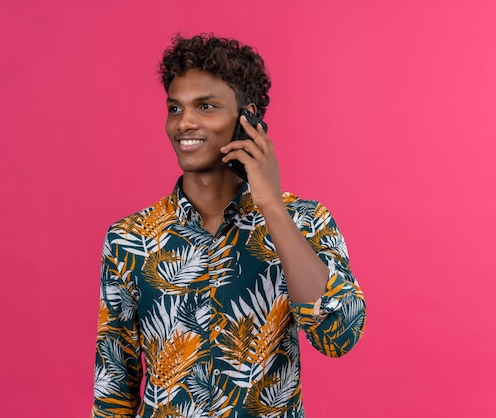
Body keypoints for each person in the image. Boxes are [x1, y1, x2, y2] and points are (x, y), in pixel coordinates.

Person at [92, 33, 366, 418]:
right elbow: (114, 384)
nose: (184, 122)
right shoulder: (131, 238)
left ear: (247, 118)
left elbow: (338, 335)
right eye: (175, 108)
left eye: (205, 106)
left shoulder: (305, 221)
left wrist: (270, 203)